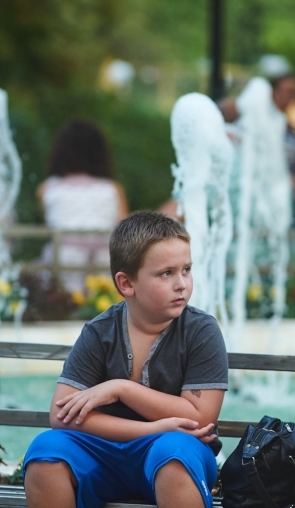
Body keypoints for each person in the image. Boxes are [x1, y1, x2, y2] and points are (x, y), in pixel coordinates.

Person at [23, 211, 229, 508]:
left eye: (186, 270)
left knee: (174, 453)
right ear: (126, 283)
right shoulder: (100, 332)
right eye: (166, 273)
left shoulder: (200, 331)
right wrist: (151, 429)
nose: (181, 284)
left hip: (176, 453)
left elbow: (199, 417)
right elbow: (61, 415)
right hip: (105, 454)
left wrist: (122, 388)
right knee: (46, 450)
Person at [37, 119, 128, 292]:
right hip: (104, 262)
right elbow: (124, 232)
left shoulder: (47, 189)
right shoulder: (113, 190)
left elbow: (49, 223)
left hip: (63, 260)